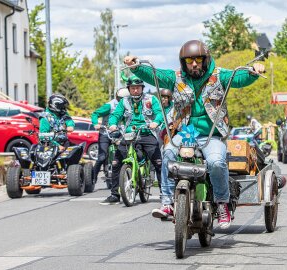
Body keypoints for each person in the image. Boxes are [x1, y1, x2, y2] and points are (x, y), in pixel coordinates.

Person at [124, 39, 265, 229]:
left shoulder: (219, 75)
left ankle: (222, 203)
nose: (194, 64)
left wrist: (254, 71)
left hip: (212, 135)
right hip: (185, 133)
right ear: (183, 62)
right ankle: (167, 202)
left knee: (216, 162)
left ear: (205, 59)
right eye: (189, 61)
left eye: (198, 59)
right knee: (167, 153)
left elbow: (239, 77)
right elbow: (154, 75)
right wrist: (136, 66)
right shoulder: (176, 77)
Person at [100, 77, 164, 205]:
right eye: (133, 88)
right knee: (116, 162)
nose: (135, 90)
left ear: (142, 88)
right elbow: (115, 115)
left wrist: (156, 122)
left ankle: (166, 194)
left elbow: (159, 113)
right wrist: (112, 124)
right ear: (128, 89)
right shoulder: (124, 101)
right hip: (129, 134)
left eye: (138, 87)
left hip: (147, 133)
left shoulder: (151, 99)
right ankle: (115, 194)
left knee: (158, 163)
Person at [91, 88, 130, 183]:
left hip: (120, 133)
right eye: (120, 99)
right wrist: (96, 123)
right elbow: (95, 114)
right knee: (102, 157)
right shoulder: (109, 105)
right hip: (106, 133)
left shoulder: (130, 105)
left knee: (125, 154)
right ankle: (93, 178)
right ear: (117, 97)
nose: (122, 101)